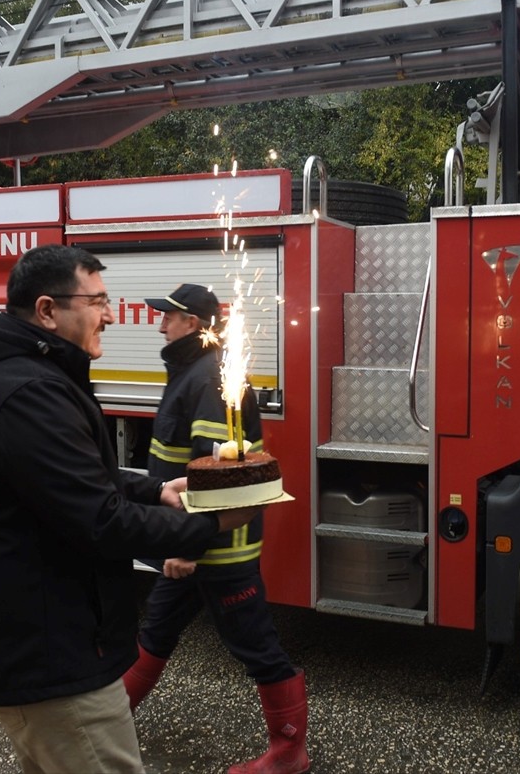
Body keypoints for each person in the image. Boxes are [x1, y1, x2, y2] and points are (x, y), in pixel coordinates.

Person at [0, 247, 256, 774]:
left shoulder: (28, 376)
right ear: (48, 310)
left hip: (42, 641)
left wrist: (154, 492)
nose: (113, 315)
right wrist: (207, 524)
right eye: (97, 301)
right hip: (49, 657)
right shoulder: (26, 391)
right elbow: (101, 520)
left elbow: (68, 480)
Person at [121, 283, 309, 774]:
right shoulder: (195, 371)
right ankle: (106, 724)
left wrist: (189, 547)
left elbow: (215, 473)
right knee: (156, 631)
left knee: (256, 647)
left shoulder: (207, 378)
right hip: (190, 545)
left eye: (169, 317)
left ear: (194, 324)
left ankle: (288, 752)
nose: (160, 324)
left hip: (215, 552)